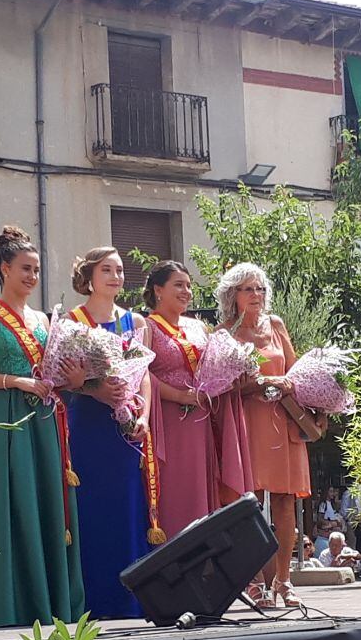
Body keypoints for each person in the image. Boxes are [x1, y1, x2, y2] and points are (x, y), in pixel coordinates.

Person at [0, 226, 84, 628]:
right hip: (7, 415)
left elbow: (52, 368)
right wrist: (16, 381)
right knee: (12, 502)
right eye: (24, 269)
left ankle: (49, 599)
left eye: (36, 269)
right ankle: (10, 603)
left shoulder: (45, 320)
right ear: (4, 269)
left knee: (46, 500)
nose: (32, 276)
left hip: (44, 418)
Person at [63, 247, 152, 619]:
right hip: (87, 424)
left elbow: (144, 373)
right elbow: (61, 379)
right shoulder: (72, 320)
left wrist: (144, 414)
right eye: (107, 270)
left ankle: (132, 600)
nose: (116, 277)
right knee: (92, 511)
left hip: (125, 428)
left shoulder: (135, 321)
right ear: (89, 276)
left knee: (129, 509)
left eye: (119, 270)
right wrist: (93, 389)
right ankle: (93, 601)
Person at [219, 262, 311, 608]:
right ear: (233, 295)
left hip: (282, 421)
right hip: (247, 422)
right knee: (250, 504)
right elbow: (225, 385)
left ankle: (285, 581)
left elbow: (296, 370)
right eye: (247, 289)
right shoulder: (224, 332)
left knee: (286, 502)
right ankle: (256, 582)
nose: (255, 295)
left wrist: (287, 382)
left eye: (259, 288)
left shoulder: (276, 325)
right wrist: (263, 383)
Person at [145, 260, 253, 540]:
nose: (186, 291)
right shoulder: (146, 327)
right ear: (158, 290)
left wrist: (235, 371)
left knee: (202, 490)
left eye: (189, 286)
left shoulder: (198, 327)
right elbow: (142, 374)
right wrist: (179, 395)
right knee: (175, 490)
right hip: (167, 422)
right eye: (178, 285)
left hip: (201, 420)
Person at [314, 485, 344, 550]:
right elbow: (320, 518)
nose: (332, 494)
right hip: (327, 529)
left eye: (333, 492)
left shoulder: (332, 504)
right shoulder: (323, 504)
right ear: (326, 493)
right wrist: (330, 523)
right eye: (331, 491)